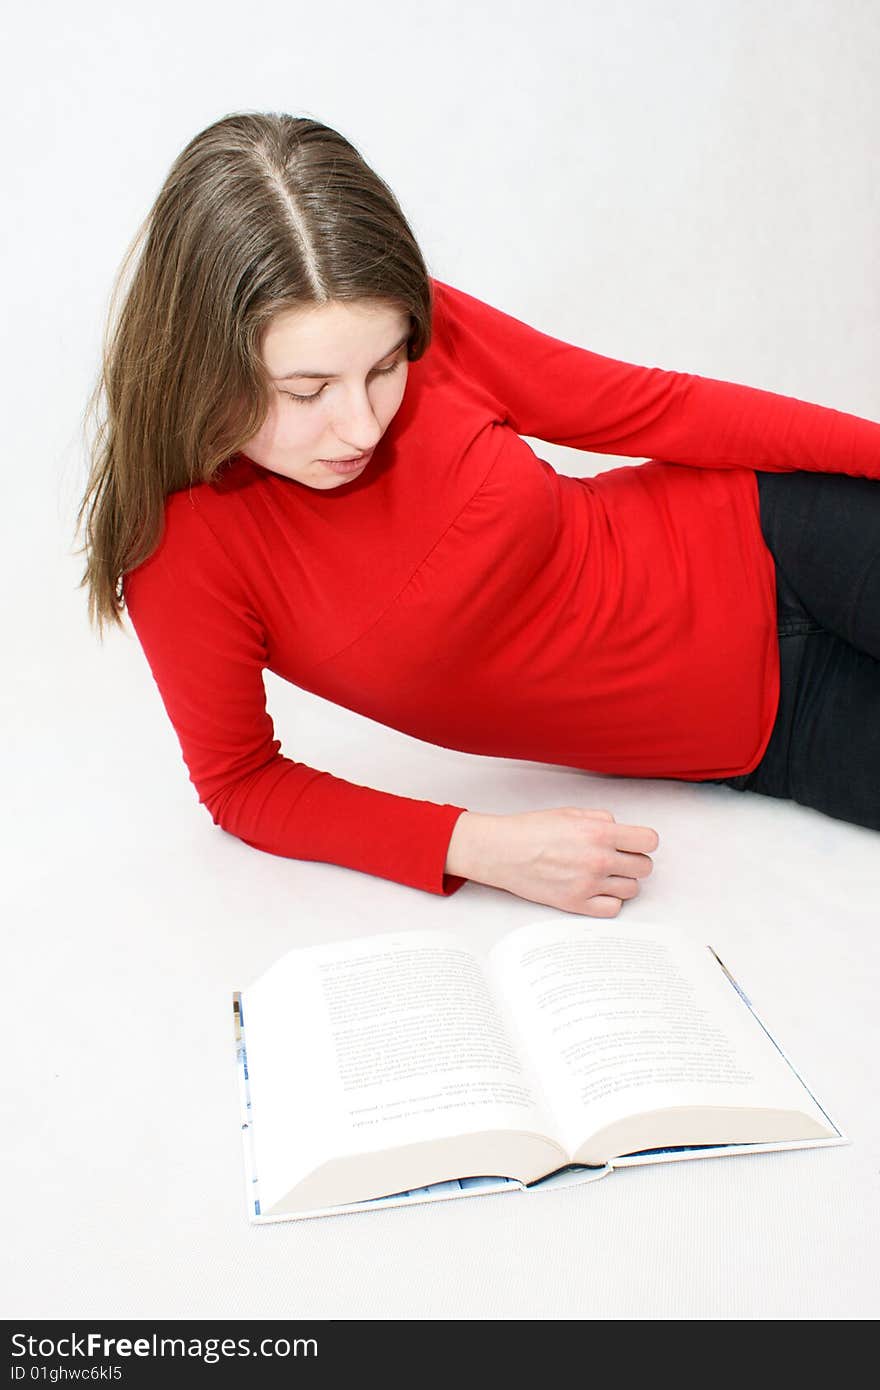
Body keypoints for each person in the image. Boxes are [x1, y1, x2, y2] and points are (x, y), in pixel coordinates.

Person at [76, 111, 880, 919]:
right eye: (306, 391)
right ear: (200, 366)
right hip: (776, 732)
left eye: (386, 368)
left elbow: (656, 408)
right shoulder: (178, 550)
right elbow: (241, 782)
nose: (361, 424)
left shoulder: (413, 321)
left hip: (784, 533)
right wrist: (478, 846)